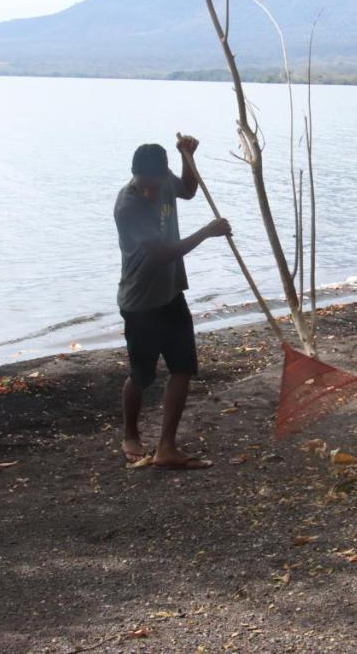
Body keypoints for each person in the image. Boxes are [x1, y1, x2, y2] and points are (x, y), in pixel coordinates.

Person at [113, 134, 230, 469]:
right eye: (145, 185)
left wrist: (187, 157)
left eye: (156, 184)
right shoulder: (128, 206)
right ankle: (131, 435)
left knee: (183, 369)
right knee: (141, 375)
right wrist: (207, 232)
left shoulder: (164, 180)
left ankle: (167, 447)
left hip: (170, 294)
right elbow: (162, 254)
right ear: (134, 175)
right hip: (140, 302)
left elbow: (189, 191)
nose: (152, 192)